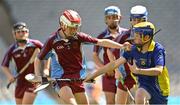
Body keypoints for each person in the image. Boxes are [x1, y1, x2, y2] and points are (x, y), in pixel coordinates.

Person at [35, 9, 126, 105]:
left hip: (77, 79)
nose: (75, 30)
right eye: (72, 28)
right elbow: (38, 59)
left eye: (76, 27)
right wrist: (38, 77)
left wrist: (121, 46)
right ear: (63, 25)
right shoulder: (52, 41)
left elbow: (101, 41)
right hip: (60, 80)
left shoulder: (78, 37)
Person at [84, 21, 170, 104]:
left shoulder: (157, 49)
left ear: (146, 37)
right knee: (139, 95)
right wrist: (93, 75)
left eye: (137, 35)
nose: (133, 38)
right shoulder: (132, 50)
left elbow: (159, 70)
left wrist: (138, 71)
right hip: (143, 86)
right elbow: (113, 64)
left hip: (160, 89)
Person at [1, 22, 49, 104]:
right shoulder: (12, 49)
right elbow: (4, 65)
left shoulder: (35, 44)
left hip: (33, 80)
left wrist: (46, 69)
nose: (21, 34)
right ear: (14, 34)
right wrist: (10, 76)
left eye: (23, 31)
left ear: (27, 32)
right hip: (20, 83)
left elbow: (48, 54)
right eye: (18, 32)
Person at [93, 5, 133, 104]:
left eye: (115, 17)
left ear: (120, 18)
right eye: (109, 18)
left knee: (125, 102)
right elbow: (95, 55)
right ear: (105, 20)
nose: (112, 20)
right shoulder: (101, 36)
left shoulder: (127, 34)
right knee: (110, 102)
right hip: (109, 74)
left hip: (125, 73)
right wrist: (105, 68)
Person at [112, 5, 149, 104]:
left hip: (142, 76)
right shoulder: (124, 36)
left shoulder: (149, 36)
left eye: (140, 20)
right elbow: (111, 52)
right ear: (131, 20)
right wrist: (116, 71)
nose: (137, 23)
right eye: (134, 20)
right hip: (125, 76)